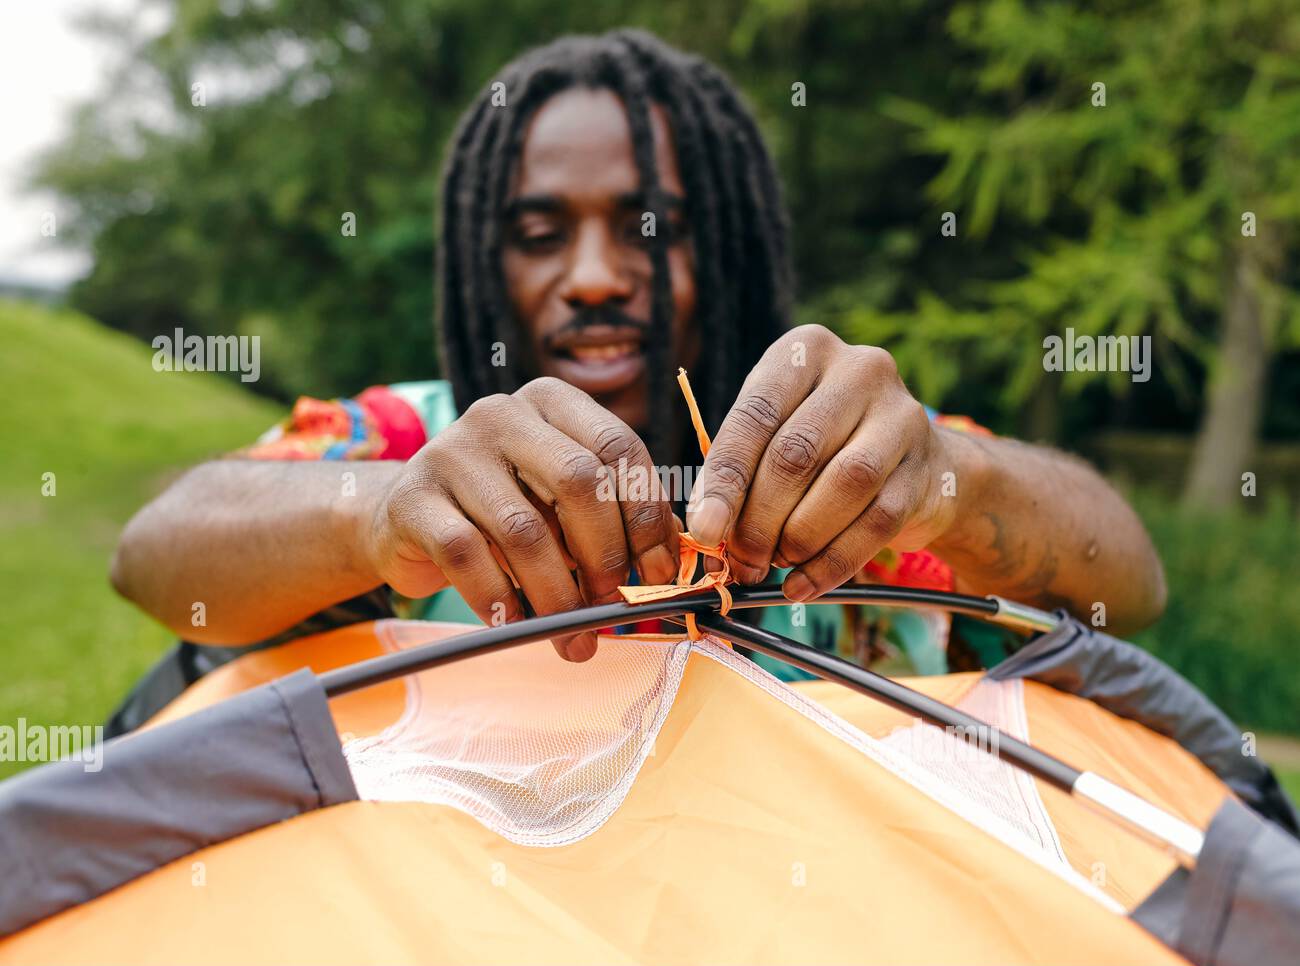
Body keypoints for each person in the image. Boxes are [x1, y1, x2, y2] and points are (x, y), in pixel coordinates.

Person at [107, 30, 1166, 729]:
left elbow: (1131, 589)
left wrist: (956, 482)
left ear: (734, 248)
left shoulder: (853, 464)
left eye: (653, 228)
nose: (596, 278)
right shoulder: (410, 444)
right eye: (537, 232)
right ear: (489, 262)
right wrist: (379, 512)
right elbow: (154, 554)